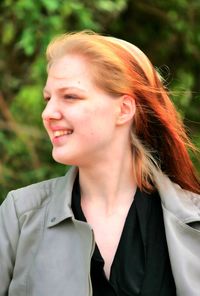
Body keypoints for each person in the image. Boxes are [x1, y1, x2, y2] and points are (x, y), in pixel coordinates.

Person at [0, 31, 200, 296]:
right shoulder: (20, 216)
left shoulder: (194, 222)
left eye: (70, 96)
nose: (47, 114)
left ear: (124, 109)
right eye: (48, 99)